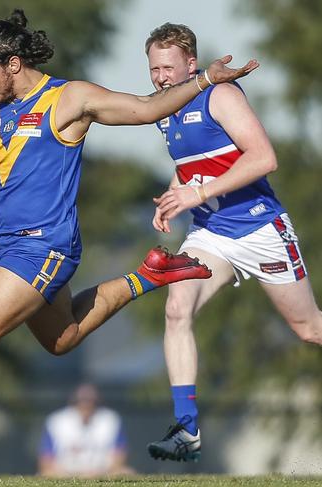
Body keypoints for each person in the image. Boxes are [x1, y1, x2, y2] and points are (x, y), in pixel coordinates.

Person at [0, 10, 257, 479]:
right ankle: (148, 276)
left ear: (14, 63)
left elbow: (146, 108)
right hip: (13, 249)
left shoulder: (68, 99)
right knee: (62, 339)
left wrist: (206, 77)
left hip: (45, 246)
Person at [143, 23, 322, 462]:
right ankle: (187, 431)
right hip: (209, 235)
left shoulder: (220, 95)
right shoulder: (164, 109)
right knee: (176, 308)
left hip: (260, 229)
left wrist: (196, 193)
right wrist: (173, 196)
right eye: (153, 69)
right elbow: (191, 165)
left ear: (192, 64)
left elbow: (265, 158)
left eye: (168, 67)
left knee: (309, 328)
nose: (161, 77)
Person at [38, 383, 133, 478]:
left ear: (97, 401)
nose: (86, 404)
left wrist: (97, 474)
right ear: (74, 401)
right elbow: (46, 461)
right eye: (82, 400)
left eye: (90, 400)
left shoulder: (110, 420)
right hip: (65, 475)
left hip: (103, 473)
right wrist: (77, 476)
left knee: (126, 473)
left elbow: (119, 457)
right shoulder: (56, 421)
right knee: (45, 475)